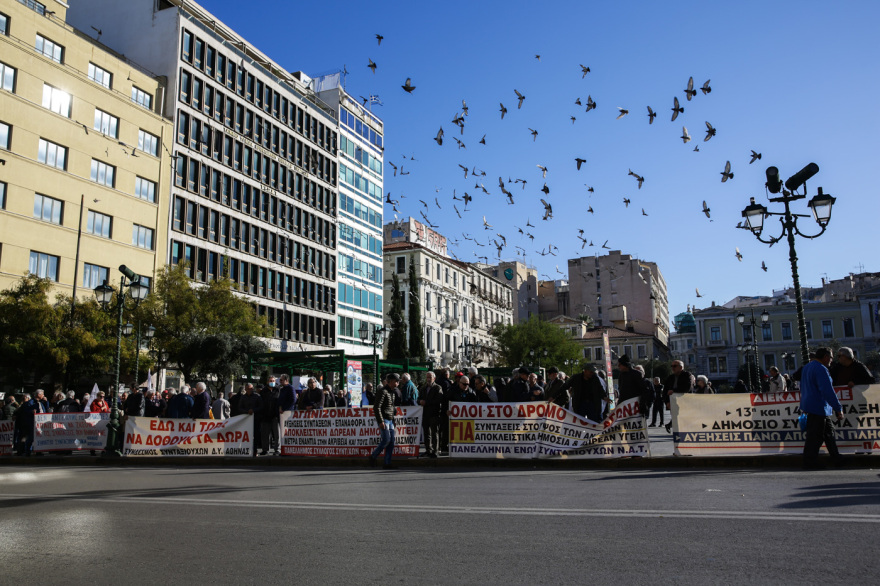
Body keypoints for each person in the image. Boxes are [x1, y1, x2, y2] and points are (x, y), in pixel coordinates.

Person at [799, 347, 845, 470]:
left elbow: (803, 387)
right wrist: (838, 408)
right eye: (830, 357)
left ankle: (837, 458)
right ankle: (810, 461)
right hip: (819, 407)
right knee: (815, 437)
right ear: (825, 357)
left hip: (811, 405)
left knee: (828, 434)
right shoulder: (821, 369)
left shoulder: (808, 367)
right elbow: (827, 390)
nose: (831, 360)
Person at [369, 373, 400, 469]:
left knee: (391, 442)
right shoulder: (383, 391)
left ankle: (387, 463)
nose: (398, 383)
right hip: (385, 419)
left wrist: (393, 418)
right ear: (390, 382)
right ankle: (373, 456)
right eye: (396, 381)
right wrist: (381, 421)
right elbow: (376, 407)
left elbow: (392, 406)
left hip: (390, 419)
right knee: (386, 439)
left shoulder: (392, 392)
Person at [664, 360, 695, 432]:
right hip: (674, 403)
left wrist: (674, 391)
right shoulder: (670, 377)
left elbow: (687, 388)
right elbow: (665, 391)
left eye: (675, 366)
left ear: (681, 367)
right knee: (676, 421)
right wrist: (667, 402)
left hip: (685, 403)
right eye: (671, 366)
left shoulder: (687, 375)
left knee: (685, 421)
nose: (672, 368)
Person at [419, 371, 444, 458]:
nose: (428, 379)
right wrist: (420, 401)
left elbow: (438, 400)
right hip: (425, 414)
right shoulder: (423, 388)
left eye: (430, 377)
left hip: (434, 413)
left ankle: (435, 450)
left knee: (434, 433)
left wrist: (426, 402)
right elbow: (419, 398)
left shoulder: (437, 388)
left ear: (434, 378)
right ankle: (428, 450)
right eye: (427, 377)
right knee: (427, 433)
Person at [17, 389, 49, 456]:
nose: (43, 395)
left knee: (39, 437)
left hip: (41, 423)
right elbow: (25, 411)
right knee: (31, 437)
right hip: (32, 423)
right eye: (42, 394)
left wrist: (46, 402)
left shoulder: (41, 402)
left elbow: (46, 409)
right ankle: (28, 451)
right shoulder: (30, 402)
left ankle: (39, 451)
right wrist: (31, 412)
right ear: (38, 394)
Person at [260, 382, 281, 455]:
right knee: (265, 434)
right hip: (265, 415)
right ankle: (265, 449)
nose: (272, 382)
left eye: (273, 380)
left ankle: (277, 450)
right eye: (270, 380)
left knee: (277, 434)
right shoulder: (264, 391)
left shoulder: (278, 390)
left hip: (275, 416)